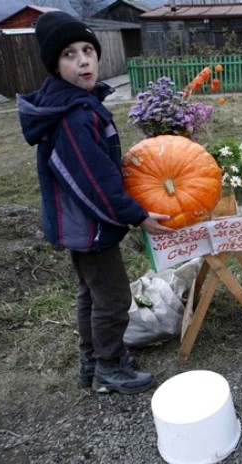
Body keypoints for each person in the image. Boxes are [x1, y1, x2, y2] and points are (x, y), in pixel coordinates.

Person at [17, 11, 173, 395]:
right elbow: (95, 181)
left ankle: (93, 361)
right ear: (55, 64)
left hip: (76, 224)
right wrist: (136, 215)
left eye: (88, 50)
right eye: (69, 54)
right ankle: (109, 367)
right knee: (113, 297)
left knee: (91, 293)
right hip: (88, 225)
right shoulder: (73, 116)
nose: (83, 60)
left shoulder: (75, 103)